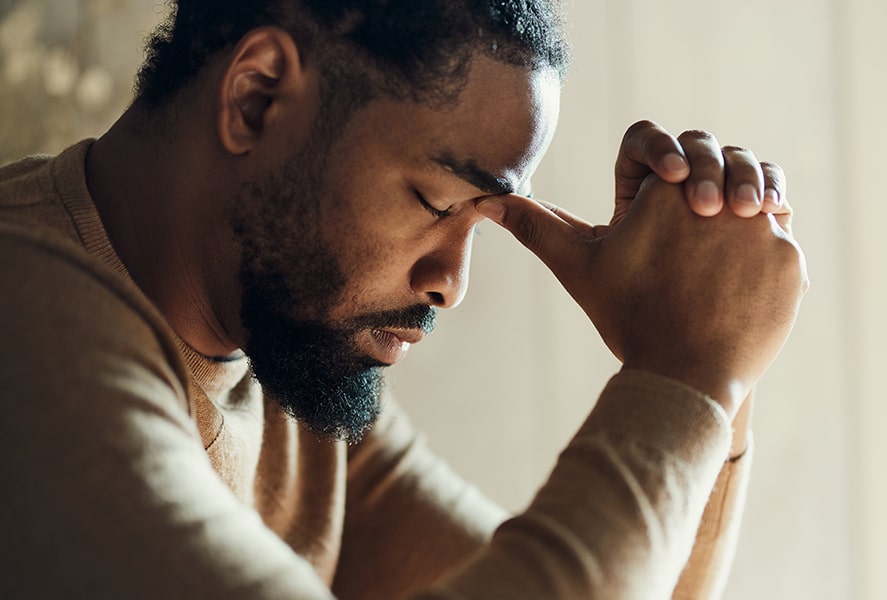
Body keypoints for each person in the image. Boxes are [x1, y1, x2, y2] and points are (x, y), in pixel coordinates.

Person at [0, 1, 807, 598]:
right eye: (433, 202)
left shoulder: (287, 358)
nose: (450, 284)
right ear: (258, 98)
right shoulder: (26, 320)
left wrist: (709, 359)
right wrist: (686, 367)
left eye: (480, 226)